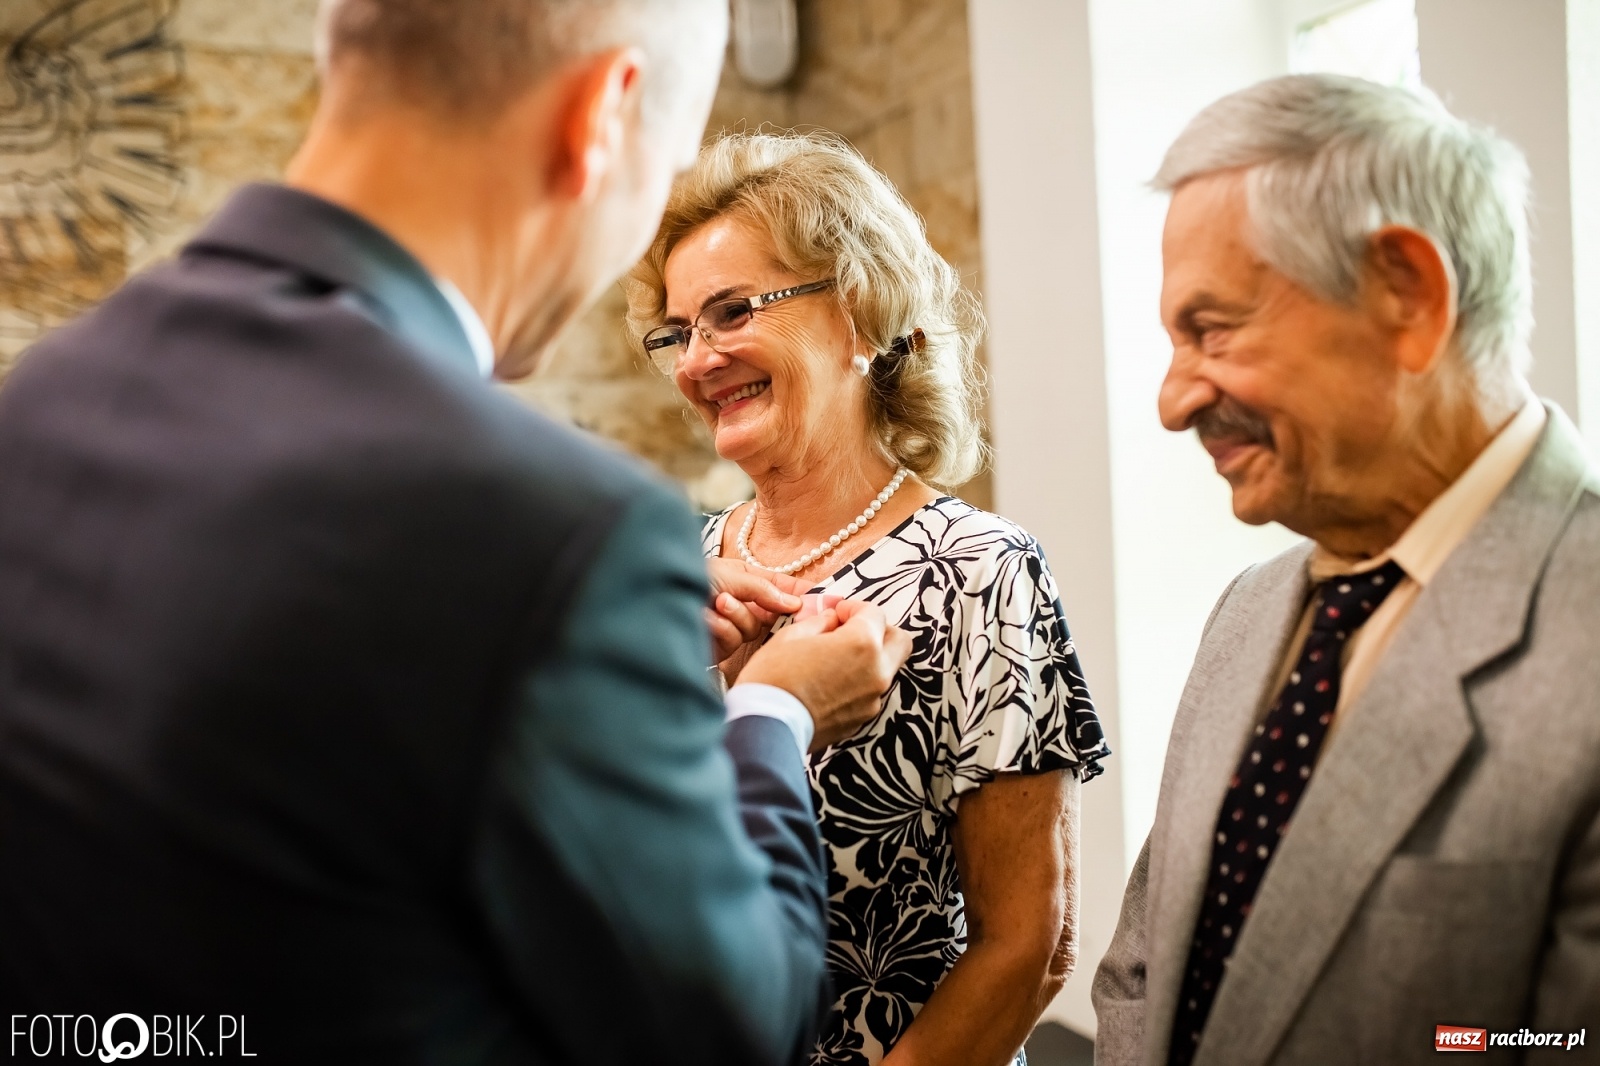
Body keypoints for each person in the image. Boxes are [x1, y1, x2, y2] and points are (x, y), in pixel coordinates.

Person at [0, 2, 913, 1063]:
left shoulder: (43, 402)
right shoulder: (563, 533)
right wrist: (772, 710)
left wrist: (593, 684)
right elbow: (731, 1033)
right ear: (603, 116)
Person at [1092, 74, 1600, 1066]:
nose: (1170, 398)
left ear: (1405, 294)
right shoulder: (1248, 612)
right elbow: (1141, 972)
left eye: (1212, 329)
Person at [625, 130, 1112, 1066]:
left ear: (857, 310)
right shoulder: (680, 570)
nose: (696, 360)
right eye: (679, 331)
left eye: (732, 312)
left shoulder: (980, 569)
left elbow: (1028, 949)